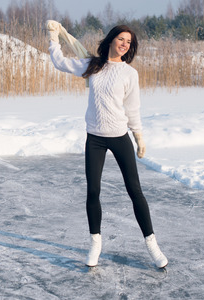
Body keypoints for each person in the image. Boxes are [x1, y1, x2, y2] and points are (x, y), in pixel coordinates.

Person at [46, 21, 168, 269]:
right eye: (121, 39)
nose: (125, 44)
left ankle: (152, 245)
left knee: (135, 191)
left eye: (129, 42)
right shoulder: (93, 66)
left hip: (119, 136)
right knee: (93, 191)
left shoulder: (129, 74)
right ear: (112, 39)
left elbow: (133, 109)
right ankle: (95, 244)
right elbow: (60, 62)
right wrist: (52, 37)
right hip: (95, 138)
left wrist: (139, 137)